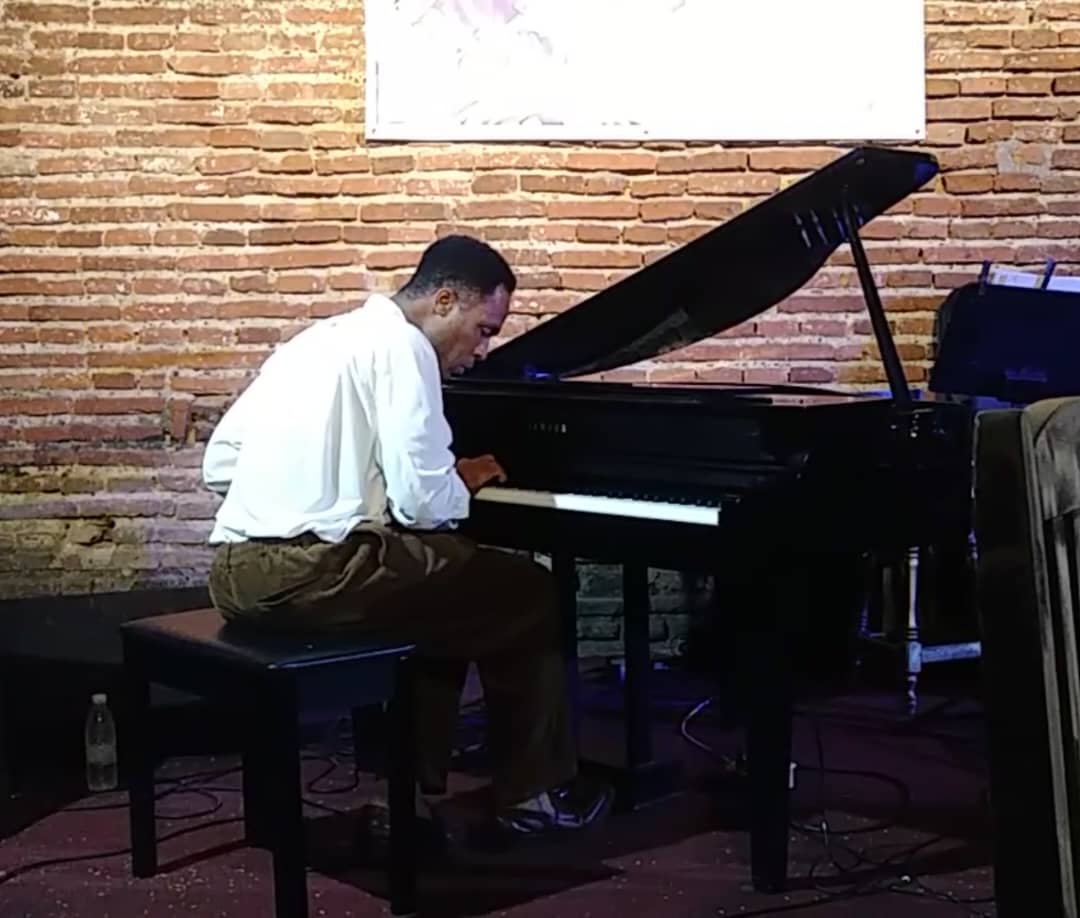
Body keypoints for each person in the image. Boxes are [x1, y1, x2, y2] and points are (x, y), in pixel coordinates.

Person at [201, 234, 612, 844]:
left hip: (235, 574)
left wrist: (325, 483)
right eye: (483, 330)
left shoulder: (315, 341)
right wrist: (461, 478)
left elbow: (220, 463)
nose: (483, 350)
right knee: (527, 591)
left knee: (444, 593)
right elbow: (423, 503)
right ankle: (534, 796)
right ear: (443, 301)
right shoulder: (405, 346)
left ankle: (404, 797)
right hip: (310, 572)